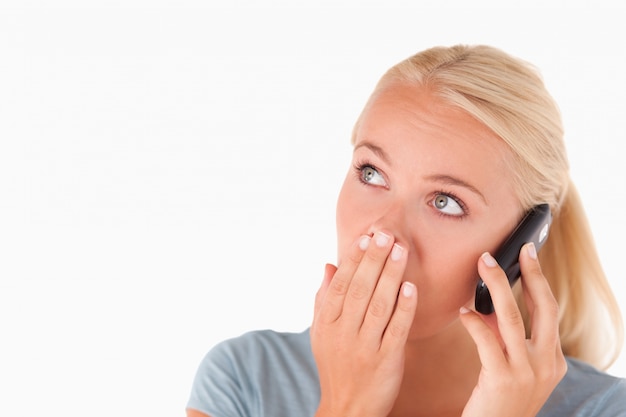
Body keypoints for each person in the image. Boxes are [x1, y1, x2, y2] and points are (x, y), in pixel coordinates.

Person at [185, 44, 626, 416]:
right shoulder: (243, 382)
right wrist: (347, 404)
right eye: (372, 173)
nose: (384, 233)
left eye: (445, 202)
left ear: (522, 242)